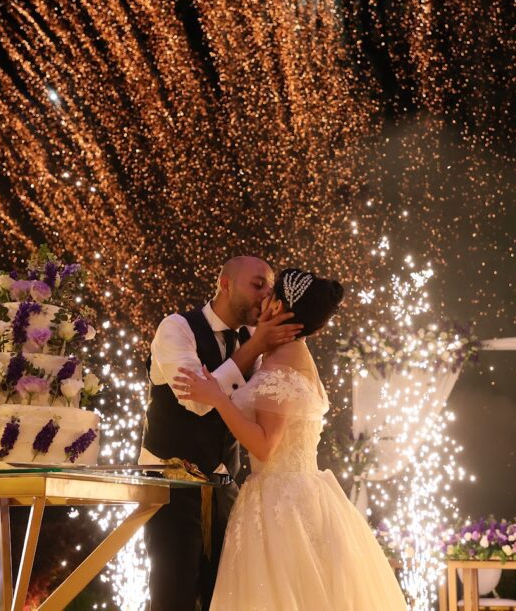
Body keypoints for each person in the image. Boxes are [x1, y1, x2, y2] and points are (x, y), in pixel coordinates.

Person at [174, 269, 408, 610]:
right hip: (290, 492)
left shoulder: (283, 361)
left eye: (270, 292)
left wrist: (218, 397)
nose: (263, 296)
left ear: (281, 307)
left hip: (281, 499)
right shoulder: (281, 352)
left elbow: (266, 445)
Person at [141, 256, 302, 611]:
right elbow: (196, 401)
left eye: (270, 289)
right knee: (173, 598)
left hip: (226, 491)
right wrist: (255, 347)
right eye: (257, 285)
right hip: (170, 487)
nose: (264, 297)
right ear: (225, 284)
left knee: (223, 598)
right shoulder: (176, 328)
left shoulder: (252, 342)